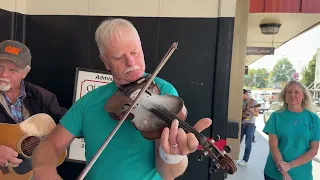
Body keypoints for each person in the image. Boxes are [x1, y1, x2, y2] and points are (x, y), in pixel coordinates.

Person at [31, 18, 212, 180]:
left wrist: (174, 156)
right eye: (118, 57)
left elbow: (167, 173)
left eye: (135, 52)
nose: (131, 63)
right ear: (105, 62)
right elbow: (51, 144)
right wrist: (44, 170)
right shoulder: (90, 102)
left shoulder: (163, 91)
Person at [0, 40, 67, 168]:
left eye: (12, 70)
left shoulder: (44, 98)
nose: (3, 75)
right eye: (0, 67)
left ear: (25, 73)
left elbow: (70, 123)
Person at [263, 80, 320, 180]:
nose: (292, 95)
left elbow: (313, 150)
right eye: (289, 92)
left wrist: (290, 165)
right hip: (275, 174)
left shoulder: (313, 119)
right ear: (285, 96)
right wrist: (284, 173)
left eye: (296, 92)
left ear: (303, 96)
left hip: (302, 175)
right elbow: (273, 146)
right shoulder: (276, 117)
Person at [238, 88, 259, 166]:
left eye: (242, 95)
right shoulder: (240, 101)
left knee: (248, 142)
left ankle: (245, 159)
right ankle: (234, 156)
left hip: (250, 124)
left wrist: (253, 111)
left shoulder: (254, 101)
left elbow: (257, 114)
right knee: (237, 141)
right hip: (242, 123)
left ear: (246, 94)